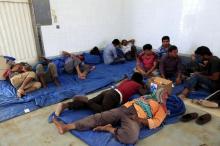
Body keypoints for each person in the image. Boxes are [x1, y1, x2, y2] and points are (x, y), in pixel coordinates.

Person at [52, 88, 168, 144]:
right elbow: (134, 100)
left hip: (136, 118)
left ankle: (108, 128)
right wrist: (142, 99)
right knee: (99, 117)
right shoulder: (147, 97)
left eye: (166, 96)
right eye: (164, 94)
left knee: (131, 138)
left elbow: (156, 122)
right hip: (125, 108)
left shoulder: (162, 107)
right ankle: (66, 127)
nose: (165, 97)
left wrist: (140, 120)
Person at [55, 72, 147, 116]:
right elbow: (144, 93)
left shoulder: (127, 81)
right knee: (103, 111)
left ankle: (65, 105)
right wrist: (145, 85)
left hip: (108, 92)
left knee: (91, 103)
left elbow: (119, 86)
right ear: (139, 80)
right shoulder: (137, 84)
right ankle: (86, 100)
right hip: (114, 96)